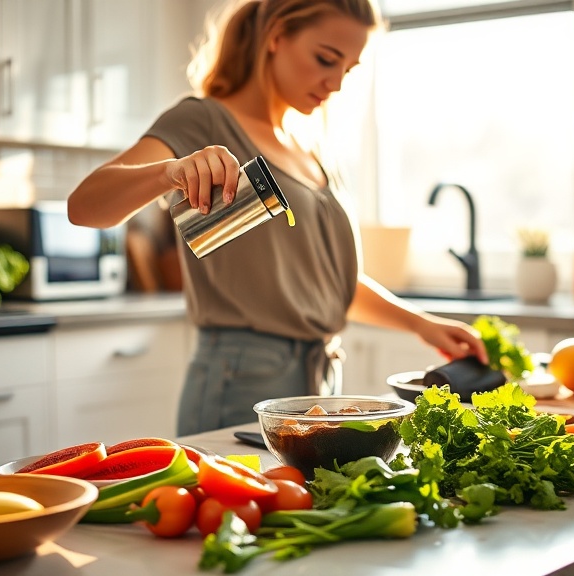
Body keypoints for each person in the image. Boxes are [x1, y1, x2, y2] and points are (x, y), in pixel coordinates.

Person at [68, 0, 488, 436]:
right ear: (276, 36)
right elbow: (83, 207)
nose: (336, 83)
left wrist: (421, 324)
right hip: (241, 379)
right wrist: (169, 172)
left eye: (348, 69)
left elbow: (328, 283)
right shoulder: (203, 120)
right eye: (326, 59)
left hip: (318, 381)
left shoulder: (311, 148)